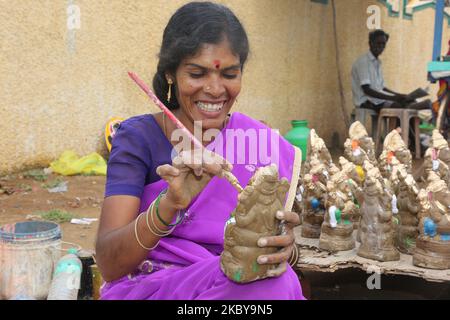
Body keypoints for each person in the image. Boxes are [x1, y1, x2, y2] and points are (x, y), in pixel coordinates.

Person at [96, 2, 304, 300]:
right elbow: (109, 264)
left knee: (274, 283)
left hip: (239, 285)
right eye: (197, 74)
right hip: (155, 287)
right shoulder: (139, 138)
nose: (216, 89)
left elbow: (276, 256)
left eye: (229, 75)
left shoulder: (259, 144)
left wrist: (286, 249)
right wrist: (169, 205)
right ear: (170, 73)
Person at [352, 29, 431, 113]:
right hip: (367, 102)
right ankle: (410, 114)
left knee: (408, 102)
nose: (381, 47)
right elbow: (367, 90)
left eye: (383, 44)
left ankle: (410, 118)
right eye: (378, 43)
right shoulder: (363, 62)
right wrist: (392, 98)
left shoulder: (377, 62)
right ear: (370, 43)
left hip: (378, 100)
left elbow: (382, 88)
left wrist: (399, 95)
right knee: (399, 107)